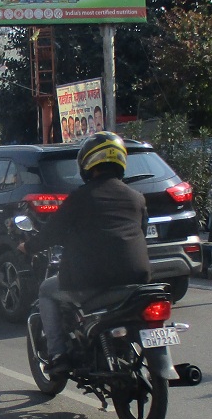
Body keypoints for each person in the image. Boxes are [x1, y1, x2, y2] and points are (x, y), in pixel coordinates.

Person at [19, 132, 151, 372]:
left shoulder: (80, 198)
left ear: (88, 164)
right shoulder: (136, 198)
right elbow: (141, 231)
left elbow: (52, 233)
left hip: (91, 282)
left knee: (46, 291)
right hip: (135, 281)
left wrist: (28, 247)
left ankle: (58, 355)